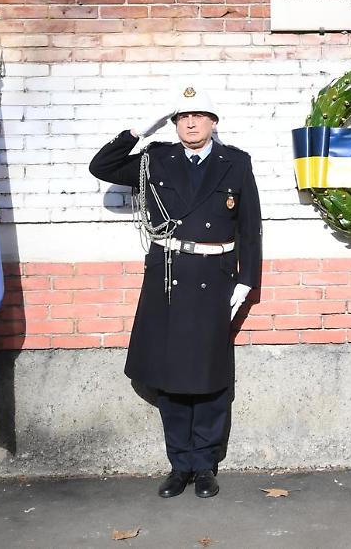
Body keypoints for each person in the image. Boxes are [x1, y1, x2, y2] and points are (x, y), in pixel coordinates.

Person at [89, 87, 261, 500]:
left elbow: (250, 225)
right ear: (173, 122)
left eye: (199, 116)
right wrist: (138, 131)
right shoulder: (155, 158)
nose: (190, 123)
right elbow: (102, 166)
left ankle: (205, 465)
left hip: (214, 277)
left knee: (210, 376)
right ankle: (178, 464)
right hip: (169, 275)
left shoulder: (235, 161)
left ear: (213, 122)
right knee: (172, 376)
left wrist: (246, 278)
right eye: (182, 116)